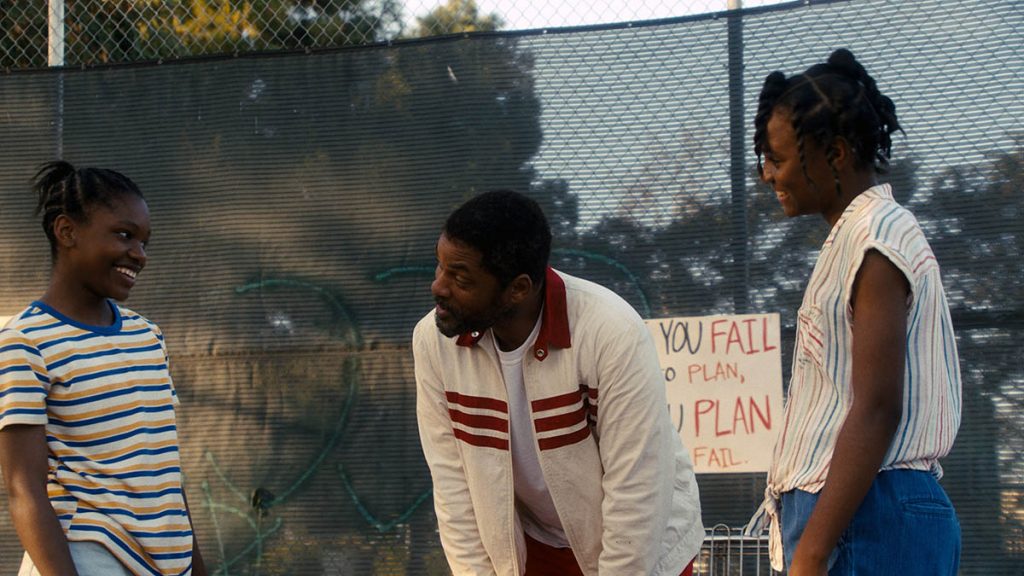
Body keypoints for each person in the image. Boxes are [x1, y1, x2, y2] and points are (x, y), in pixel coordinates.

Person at [745, 49, 962, 575]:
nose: (767, 174)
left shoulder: (877, 236)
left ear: (835, 154)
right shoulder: (854, 239)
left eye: (778, 158)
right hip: (853, 514)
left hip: (871, 515)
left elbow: (877, 406)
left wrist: (813, 551)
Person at [413, 190, 704, 576]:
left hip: (641, 544)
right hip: (537, 546)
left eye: (460, 277)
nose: (439, 287)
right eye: (440, 267)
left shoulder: (609, 330)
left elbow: (638, 488)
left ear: (518, 288)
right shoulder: (433, 342)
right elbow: (454, 485)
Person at [0, 161, 207, 575]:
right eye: (124, 235)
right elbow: (25, 490)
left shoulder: (148, 336)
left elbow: (162, 472)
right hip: (85, 556)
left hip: (168, 561)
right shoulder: (25, 342)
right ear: (66, 232)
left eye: (145, 242)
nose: (139, 254)